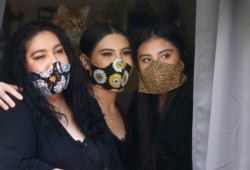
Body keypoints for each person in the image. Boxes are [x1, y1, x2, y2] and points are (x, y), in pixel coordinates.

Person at [0, 23, 135, 170]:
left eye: (59, 51)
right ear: (22, 66)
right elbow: (10, 163)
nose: (54, 61)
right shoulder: (15, 105)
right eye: (40, 56)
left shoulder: (86, 103)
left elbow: (113, 161)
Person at [127, 23, 193, 170]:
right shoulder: (140, 98)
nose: (156, 67)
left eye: (165, 56)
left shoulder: (195, 92)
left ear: (183, 56)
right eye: (146, 59)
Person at [78, 23, 134, 170]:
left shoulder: (128, 111)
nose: (119, 62)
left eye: (126, 53)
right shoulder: (74, 109)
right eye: (107, 54)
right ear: (85, 62)